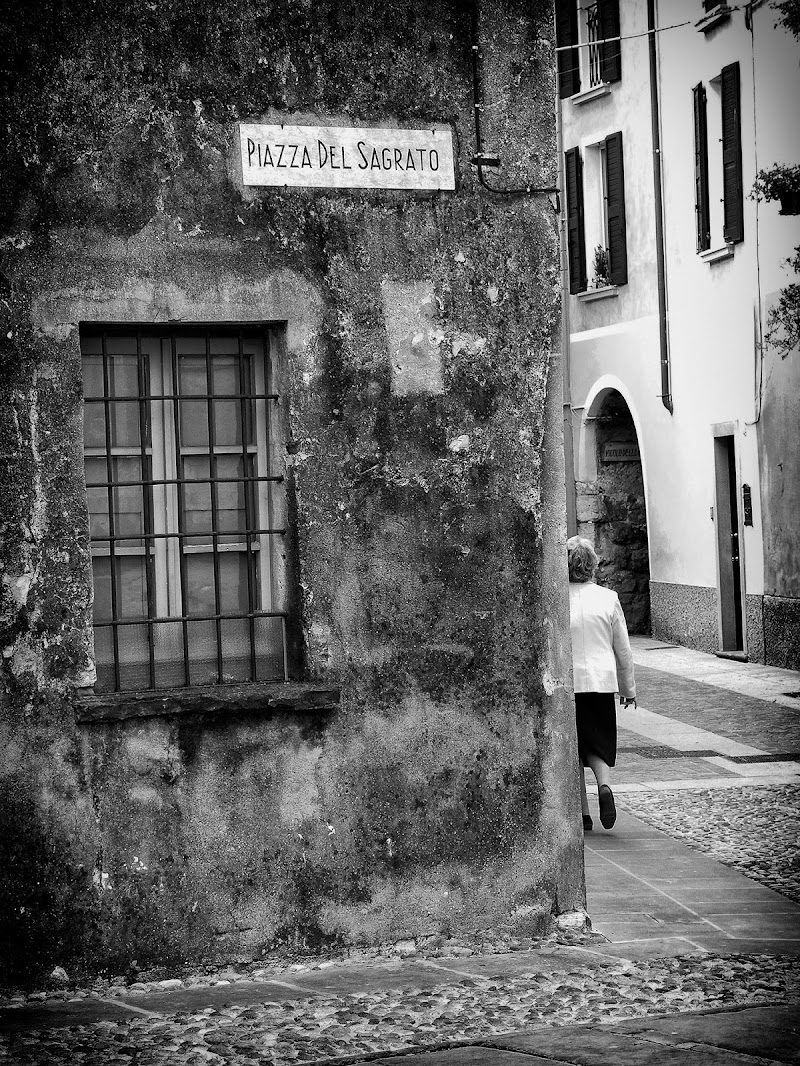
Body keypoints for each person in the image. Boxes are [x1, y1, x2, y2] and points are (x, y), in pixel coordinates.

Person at [567, 536, 636, 831]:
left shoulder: (556, 599)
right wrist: (628, 689)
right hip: (601, 682)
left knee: (573, 745)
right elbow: (623, 649)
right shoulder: (609, 599)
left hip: (569, 683)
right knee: (597, 740)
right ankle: (604, 786)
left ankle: (582, 813)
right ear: (593, 564)